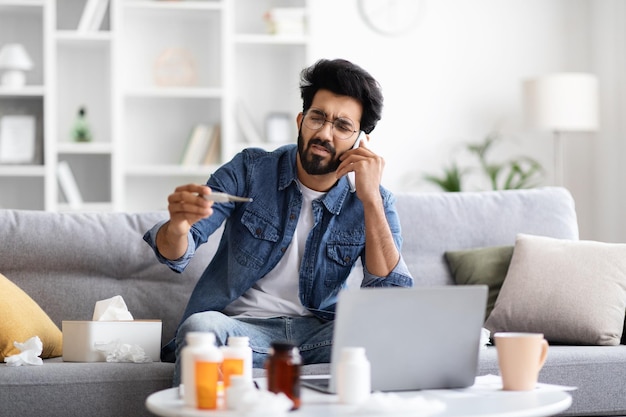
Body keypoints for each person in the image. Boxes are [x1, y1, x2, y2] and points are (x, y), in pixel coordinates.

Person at [143, 58, 413, 385]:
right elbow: (175, 252)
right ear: (301, 120)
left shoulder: (375, 200)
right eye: (318, 118)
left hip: (320, 335)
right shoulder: (250, 170)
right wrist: (178, 226)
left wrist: (370, 200)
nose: (325, 134)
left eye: (342, 126)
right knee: (200, 330)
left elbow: (390, 295)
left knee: (387, 337)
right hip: (240, 331)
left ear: (360, 141)